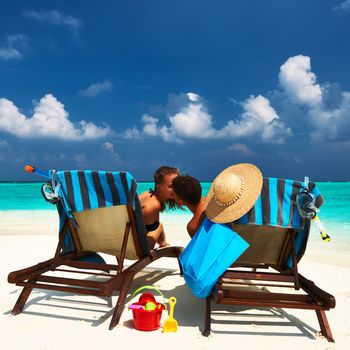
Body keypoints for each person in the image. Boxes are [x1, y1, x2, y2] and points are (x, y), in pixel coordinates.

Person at [139, 166, 180, 248]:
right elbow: (137, 232)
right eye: (171, 186)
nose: (175, 189)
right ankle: (163, 244)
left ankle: (163, 243)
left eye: (177, 185)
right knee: (159, 226)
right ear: (159, 187)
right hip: (137, 247)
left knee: (157, 225)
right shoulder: (154, 205)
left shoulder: (147, 194)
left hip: (123, 240)